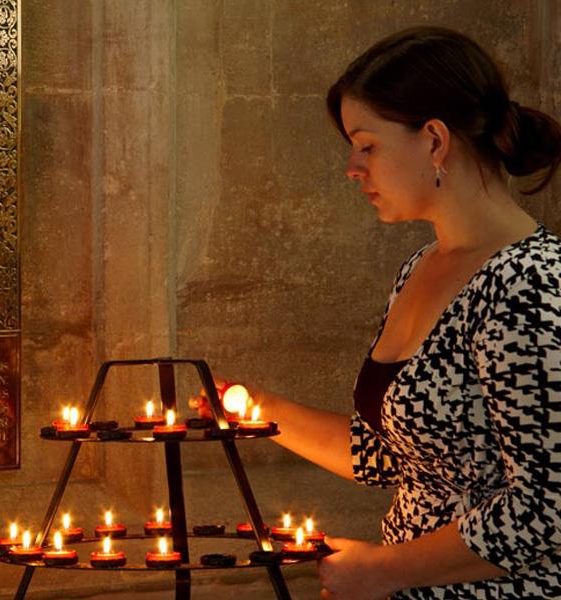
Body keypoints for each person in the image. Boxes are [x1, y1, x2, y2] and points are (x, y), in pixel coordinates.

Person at [202, 27, 561, 599]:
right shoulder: (420, 269)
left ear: (435, 140)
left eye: (366, 145)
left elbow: (549, 509)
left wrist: (383, 569)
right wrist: (250, 408)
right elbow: (387, 456)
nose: (351, 166)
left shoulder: (530, 283)